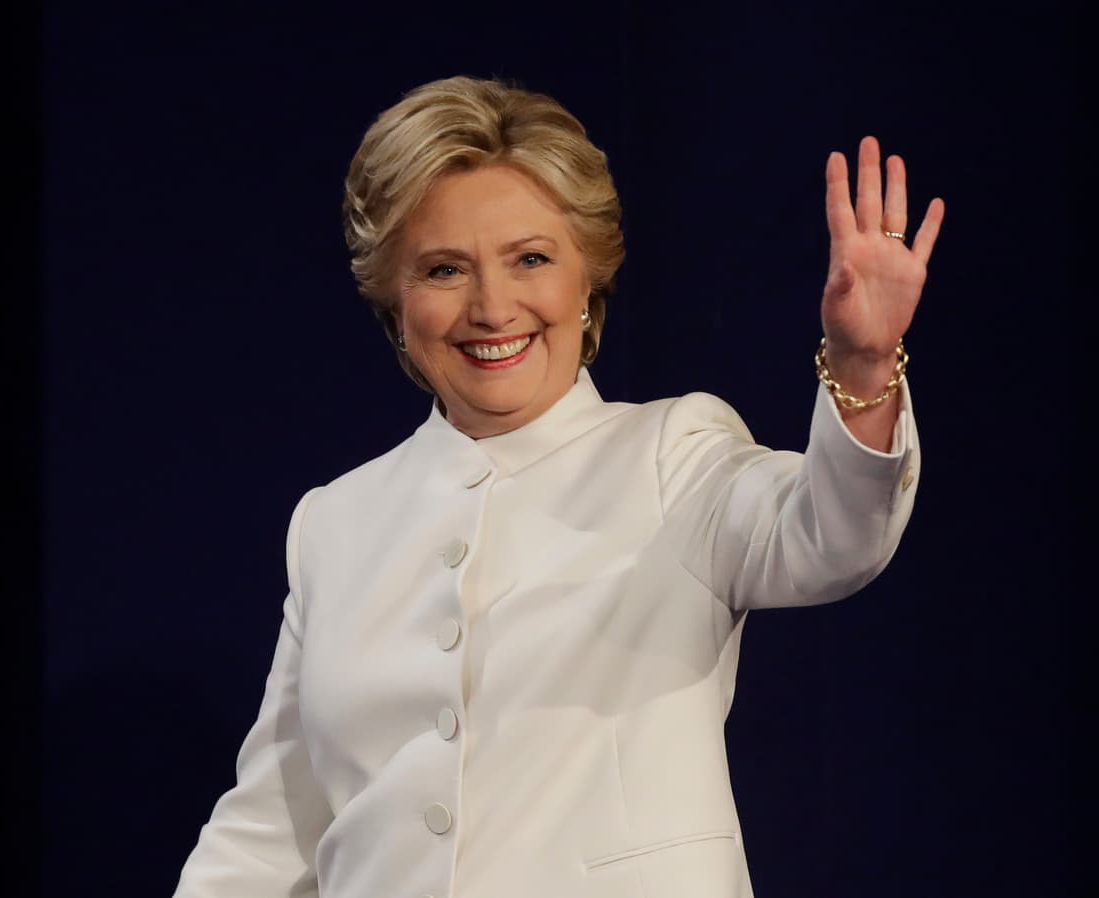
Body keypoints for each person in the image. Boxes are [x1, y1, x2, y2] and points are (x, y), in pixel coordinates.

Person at [172, 75, 943, 898]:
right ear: (394, 300)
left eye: (531, 259)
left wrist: (863, 367)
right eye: (443, 270)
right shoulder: (335, 521)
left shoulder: (672, 454)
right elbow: (271, 832)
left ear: (588, 283)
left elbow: (832, 536)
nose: (492, 306)